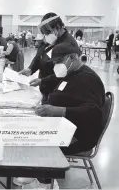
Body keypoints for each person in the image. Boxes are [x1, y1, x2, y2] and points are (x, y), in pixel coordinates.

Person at [19, 43, 105, 189]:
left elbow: (93, 112)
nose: (57, 65)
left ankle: (45, 181)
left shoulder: (88, 80)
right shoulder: (73, 73)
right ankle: (39, 172)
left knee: (37, 139)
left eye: (59, 61)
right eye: (55, 62)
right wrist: (42, 81)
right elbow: (56, 79)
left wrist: (60, 111)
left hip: (79, 136)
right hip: (65, 126)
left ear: (73, 57)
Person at [19, 12, 80, 103]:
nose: (46, 36)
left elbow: (62, 74)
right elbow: (39, 55)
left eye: (48, 32)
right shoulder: (52, 38)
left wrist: (42, 81)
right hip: (46, 91)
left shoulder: (69, 45)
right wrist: (30, 69)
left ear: (58, 27)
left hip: (59, 94)